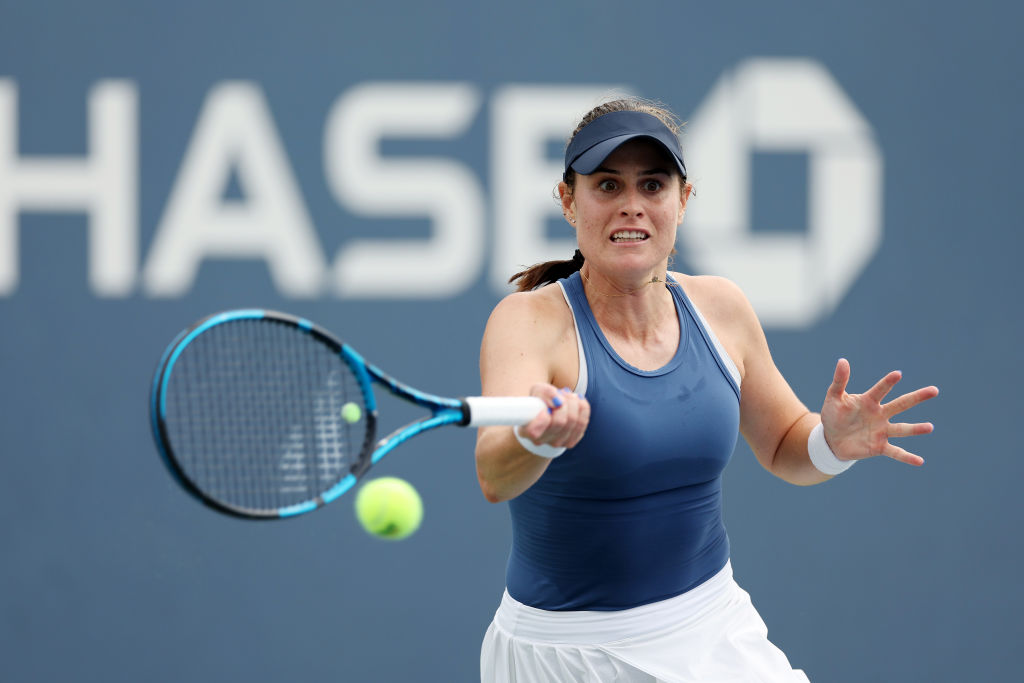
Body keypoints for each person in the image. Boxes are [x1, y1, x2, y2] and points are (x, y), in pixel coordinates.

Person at [474, 97, 939, 682]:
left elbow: (784, 447)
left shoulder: (721, 306)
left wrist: (832, 444)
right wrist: (537, 441)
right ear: (568, 200)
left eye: (653, 185)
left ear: (683, 200)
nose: (633, 207)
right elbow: (495, 473)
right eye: (608, 186)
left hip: (714, 630)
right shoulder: (528, 323)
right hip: (566, 656)